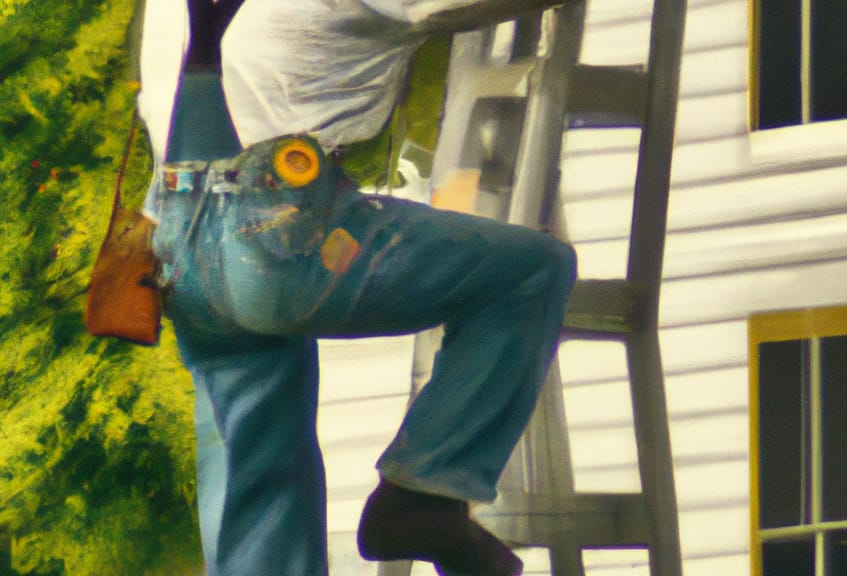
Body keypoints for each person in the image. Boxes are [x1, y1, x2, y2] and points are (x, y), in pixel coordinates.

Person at [136, 0, 575, 575]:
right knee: (531, 271)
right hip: (270, 230)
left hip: (175, 245)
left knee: (259, 482)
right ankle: (425, 495)